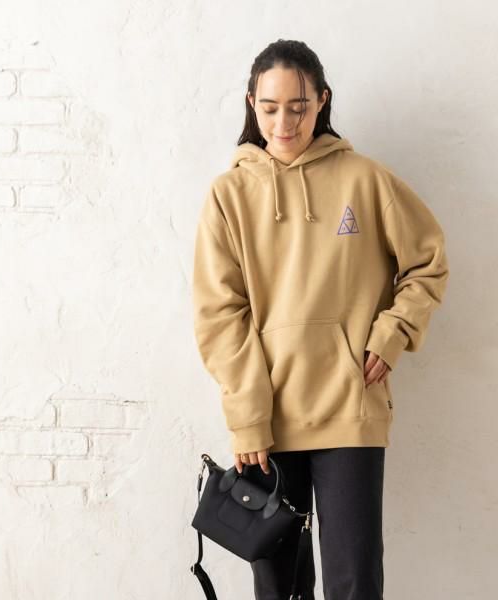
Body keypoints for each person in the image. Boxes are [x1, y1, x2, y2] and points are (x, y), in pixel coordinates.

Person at [192, 39, 450, 600]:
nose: (284, 123)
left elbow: (427, 262)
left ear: (322, 101)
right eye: (270, 108)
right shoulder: (229, 195)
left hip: (350, 407)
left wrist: (393, 333)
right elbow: (220, 314)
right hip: (267, 419)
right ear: (252, 104)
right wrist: (247, 415)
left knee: (354, 580)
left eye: (299, 106)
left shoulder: (365, 180)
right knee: (280, 586)